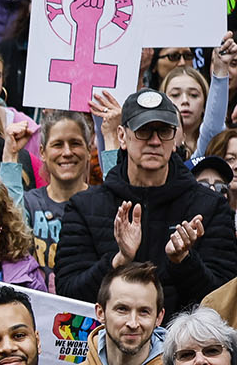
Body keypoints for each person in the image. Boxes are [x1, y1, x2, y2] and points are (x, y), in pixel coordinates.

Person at [57, 89, 237, 317]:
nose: (154, 141)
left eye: (164, 131)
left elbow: (225, 303)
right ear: (122, 136)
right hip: (109, 346)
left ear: (175, 139)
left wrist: (184, 261)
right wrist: (118, 261)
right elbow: (68, 296)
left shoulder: (209, 207)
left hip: (184, 347)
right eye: (144, 131)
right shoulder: (84, 207)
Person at [23, 111, 94, 287]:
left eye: (75, 143)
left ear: (88, 149)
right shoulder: (29, 203)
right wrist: (10, 154)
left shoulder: (101, 202)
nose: (67, 152)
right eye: (57, 145)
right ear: (42, 152)